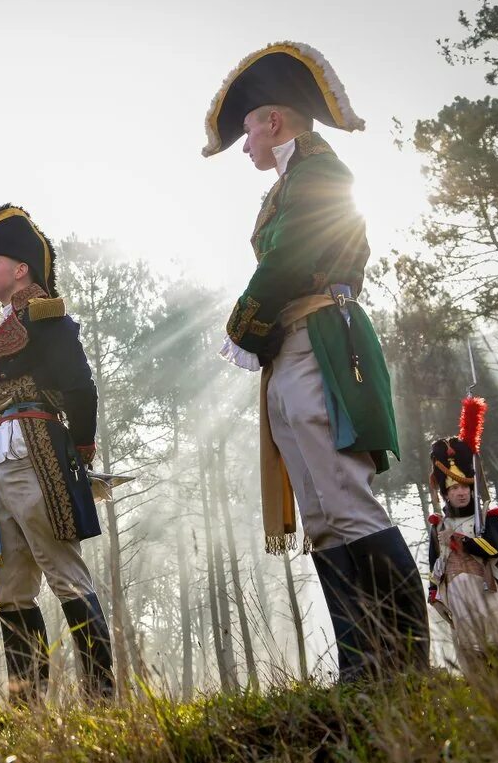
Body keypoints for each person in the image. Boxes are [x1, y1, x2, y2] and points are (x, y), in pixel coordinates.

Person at [203, 42, 428, 679]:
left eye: (248, 128)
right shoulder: (294, 179)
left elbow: (293, 255)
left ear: (273, 121)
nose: (245, 143)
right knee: (323, 518)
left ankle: (407, 663)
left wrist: (242, 324)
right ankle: (363, 665)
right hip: (294, 346)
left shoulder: (322, 173)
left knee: (347, 502)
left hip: (321, 344)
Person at [0, 204, 113, 703]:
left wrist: (80, 453)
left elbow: (80, 389)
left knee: (65, 574)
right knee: (11, 589)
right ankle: (27, 706)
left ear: (21, 268)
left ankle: (103, 699)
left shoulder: (48, 317)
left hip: (36, 449)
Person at [427, 396, 498, 666]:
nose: (461, 492)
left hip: (488, 588)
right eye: (454, 488)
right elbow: (435, 564)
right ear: (446, 493)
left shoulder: (489, 517)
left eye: (465, 487)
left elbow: (493, 548)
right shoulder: (438, 525)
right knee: (472, 652)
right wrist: (433, 591)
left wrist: (463, 542)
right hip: (457, 594)